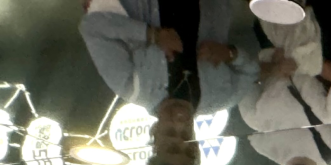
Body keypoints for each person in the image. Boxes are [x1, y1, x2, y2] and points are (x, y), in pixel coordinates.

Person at [80, 0, 260, 114]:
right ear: (194, 143)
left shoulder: (131, 88)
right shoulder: (221, 98)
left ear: (154, 134)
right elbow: (251, 72)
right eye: (184, 136)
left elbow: (93, 27)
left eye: (170, 133)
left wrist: (151, 35)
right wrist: (230, 54)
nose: (178, 123)